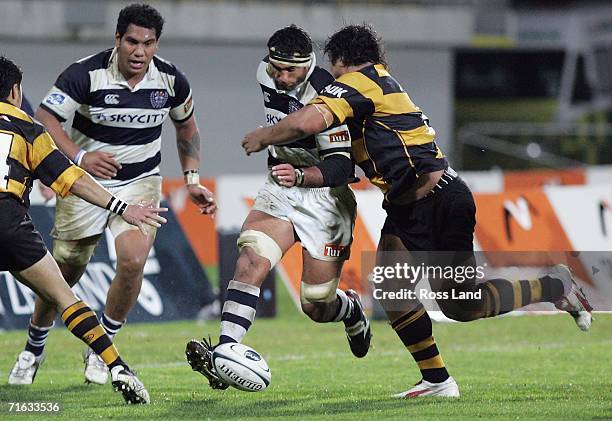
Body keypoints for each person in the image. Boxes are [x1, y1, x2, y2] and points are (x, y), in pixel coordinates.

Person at [241, 24, 593, 398]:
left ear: (343, 61)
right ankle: (438, 381)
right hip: (407, 205)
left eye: (334, 68)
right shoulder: (373, 85)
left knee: (462, 305)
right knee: (393, 291)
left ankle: (556, 286)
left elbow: (308, 121)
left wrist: (263, 136)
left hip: (440, 200)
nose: (331, 79)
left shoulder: (361, 81)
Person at [8, 3, 216, 386]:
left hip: (141, 182)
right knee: (64, 271)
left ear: (157, 45)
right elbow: (46, 118)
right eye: (132, 42)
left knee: (133, 260)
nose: (140, 52)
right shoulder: (84, 73)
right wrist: (81, 157)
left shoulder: (171, 80)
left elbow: (187, 128)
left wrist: (191, 179)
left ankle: (101, 350)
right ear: (118, 39)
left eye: (149, 44)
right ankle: (33, 348)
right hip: (87, 183)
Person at [185, 25, 370, 390]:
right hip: (281, 188)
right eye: (277, 68)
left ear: (309, 64)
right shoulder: (264, 72)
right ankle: (226, 352)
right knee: (251, 259)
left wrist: (298, 172)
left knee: (316, 305)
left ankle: (351, 310)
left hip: (324, 197)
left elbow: (341, 168)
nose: (282, 77)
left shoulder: (325, 94)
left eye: (292, 71)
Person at [0, 55, 165, 403]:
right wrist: (123, 208)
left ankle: (33, 354)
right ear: (15, 91)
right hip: (7, 222)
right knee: (64, 297)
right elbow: (72, 179)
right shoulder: (29, 129)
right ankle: (117, 366)